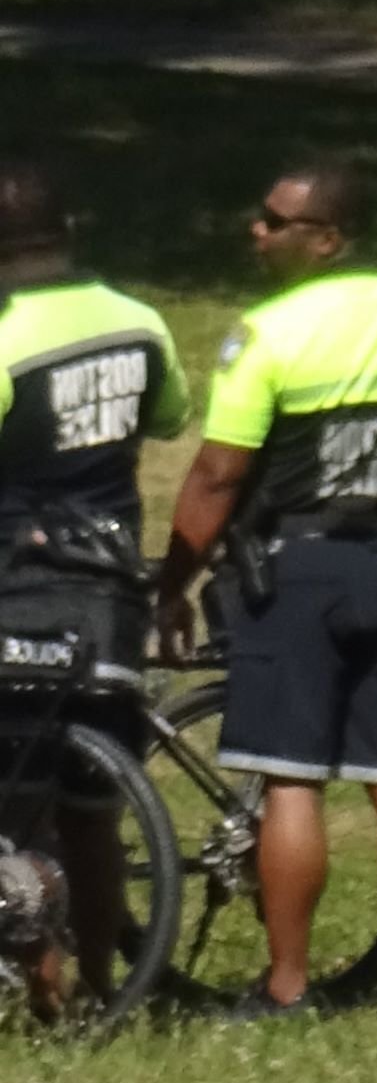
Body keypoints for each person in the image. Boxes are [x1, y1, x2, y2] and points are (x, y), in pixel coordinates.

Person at [156, 160, 377, 1019]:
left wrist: (173, 581)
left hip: (297, 570)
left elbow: (219, 471)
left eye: (276, 221)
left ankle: (288, 985)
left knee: (290, 780)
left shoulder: (270, 332)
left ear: (328, 239)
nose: (257, 230)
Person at [0, 167, 185, 1019]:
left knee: (17, 797)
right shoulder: (139, 321)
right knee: (92, 807)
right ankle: (104, 987)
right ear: (67, 229)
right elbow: (169, 417)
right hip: (110, 583)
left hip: (19, 582)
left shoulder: (7, 336)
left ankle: (42, 985)